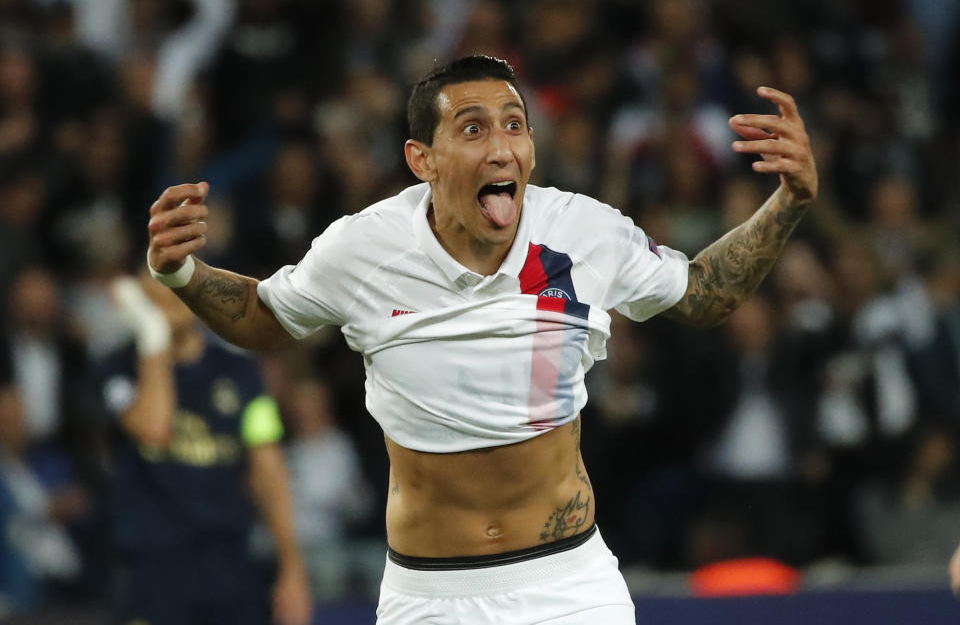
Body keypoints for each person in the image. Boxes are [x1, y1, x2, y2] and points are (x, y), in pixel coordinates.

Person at [145, 55, 817, 624]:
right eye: (473, 129)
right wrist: (181, 272)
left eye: (515, 126)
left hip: (569, 588)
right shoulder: (365, 248)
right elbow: (267, 316)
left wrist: (786, 202)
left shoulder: (584, 233)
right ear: (422, 159)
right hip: (429, 595)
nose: (501, 148)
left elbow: (703, 293)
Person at [101, 272, 312, 625]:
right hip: (154, 568)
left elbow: (268, 469)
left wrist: (292, 567)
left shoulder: (242, 373)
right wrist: (152, 334)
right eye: (158, 281)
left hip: (230, 564)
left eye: (177, 281)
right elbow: (154, 428)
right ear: (141, 296)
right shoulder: (116, 369)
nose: (171, 293)